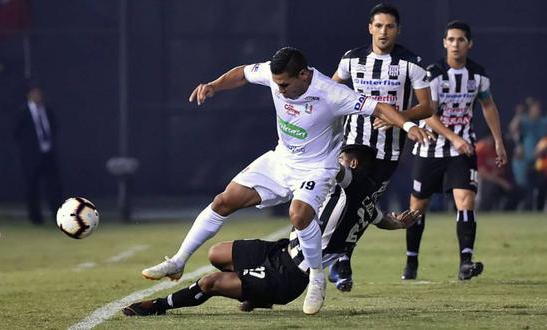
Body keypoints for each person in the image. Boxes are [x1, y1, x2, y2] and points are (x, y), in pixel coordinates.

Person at [140, 47, 432, 315]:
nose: (279, 90)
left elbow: (378, 107)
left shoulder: (330, 92)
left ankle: (317, 277)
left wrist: (407, 124)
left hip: (317, 168)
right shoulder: (274, 74)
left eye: (284, 85)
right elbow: (242, 73)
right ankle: (178, 261)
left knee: (299, 213)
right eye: (276, 84)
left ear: (303, 75)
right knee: (223, 201)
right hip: (281, 160)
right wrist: (214, 86)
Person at [123, 145, 421, 317]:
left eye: (341, 158)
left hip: (290, 275)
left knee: (211, 282)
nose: (334, 162)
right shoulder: (365, 197)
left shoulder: (351, 182)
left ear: (352, 164)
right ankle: (258, 296)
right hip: (281, 249)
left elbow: (332, 167)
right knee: (217, 253)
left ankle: (160, 306)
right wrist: (399, 222)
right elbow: (380, 218)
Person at [328, 3, 434, 290]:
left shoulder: (411, 62)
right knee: (346, 196)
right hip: (355, 142)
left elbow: (427, 106)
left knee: (364, 204)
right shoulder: (351, 59)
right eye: (379, 25)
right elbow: (330, 90)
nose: (383, 31)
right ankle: (338, 261)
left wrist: (398, 119)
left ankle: (339, 257)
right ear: (370, 28)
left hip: (390, 149)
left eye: (389, 26)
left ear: (398, 30)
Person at [403, 21, 508, 281]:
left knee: (466, 201)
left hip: (462, 151)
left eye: (461, 40)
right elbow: (427, 114)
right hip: (430, 149)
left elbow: (488, 106)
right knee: (418, 206)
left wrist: (498, 141)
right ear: (444, 43)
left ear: (469, 44)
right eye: (451, 39)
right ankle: (411, 262)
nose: (456, 44)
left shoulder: (478, 75)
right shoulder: (434, 74)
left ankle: (465, 262)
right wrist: (452, 137)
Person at [14, 84, 63, 225]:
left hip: (48, 153)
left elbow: (53, 127)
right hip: (31, 156)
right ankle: (35, 217)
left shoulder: (47, 110)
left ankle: (57, 216)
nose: (38, 96)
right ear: (29, 95)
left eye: (39, 93)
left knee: (54, 185)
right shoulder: (22, 112)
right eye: (34, 93)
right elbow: (17, 133)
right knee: (32, 186)